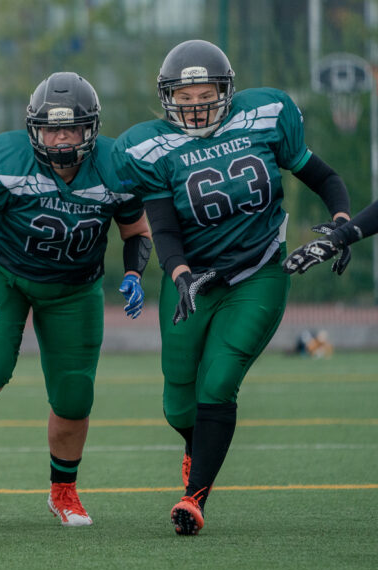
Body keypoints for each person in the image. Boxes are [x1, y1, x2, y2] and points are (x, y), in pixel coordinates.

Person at [112, 39, 351, 536]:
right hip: (193, 279)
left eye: (206, 94)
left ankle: (194, 497)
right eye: (186, 95)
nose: (196, 105)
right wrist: (178, 274)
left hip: (258, 270)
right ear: (167, 97)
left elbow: (321, 174)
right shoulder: (150, 147)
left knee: (218, 382)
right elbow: (164, 226)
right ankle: (197, 450)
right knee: (178, 403)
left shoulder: (265, 115)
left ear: (227, 92)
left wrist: (343, 221)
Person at [0, 72, 151, 527]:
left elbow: (136, 230)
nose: (60, 138)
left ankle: (64, 492)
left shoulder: (118, 166)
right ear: (34, 129)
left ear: (90, 130)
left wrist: (134, 270)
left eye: (71, 128)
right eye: (52, 128)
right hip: (2, 273)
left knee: (75, 396)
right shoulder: (6, 159)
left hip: (74, 287)